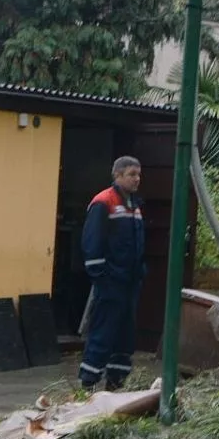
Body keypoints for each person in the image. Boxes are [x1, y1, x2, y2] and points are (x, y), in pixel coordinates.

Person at [78, 156, 145, 390]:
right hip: (110, 282)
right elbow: (92, 243)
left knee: (125, 335)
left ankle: (116, 384)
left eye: (138, 174)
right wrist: (101, 278)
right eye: (132, 174)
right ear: (117, 175)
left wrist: (140, 272)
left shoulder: (134, 205)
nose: (137, 179)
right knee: (103, 333)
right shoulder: (103, 202)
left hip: (130, 283)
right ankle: (88, 386)